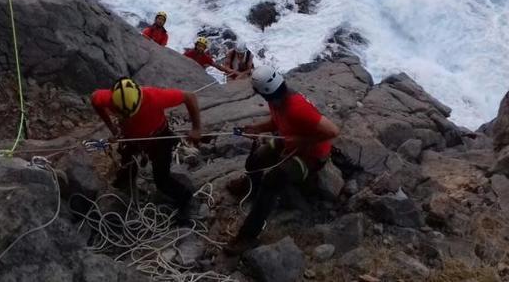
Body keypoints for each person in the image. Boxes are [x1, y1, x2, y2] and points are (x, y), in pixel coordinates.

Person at [224, 66, 340, 254]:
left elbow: (332, 131)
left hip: (312, 156)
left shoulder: (296, 106)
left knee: (273, 180)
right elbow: (279, 121)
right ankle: (251, 187)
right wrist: (258, 128)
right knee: (254, 160)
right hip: (290, 140)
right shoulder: (278, 98)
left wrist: (301, 141)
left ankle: (248, 236)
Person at [90, 77, 202, 223]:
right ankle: (126, 182)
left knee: (162, 180)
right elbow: (94, 99)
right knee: (127, 162)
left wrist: (197, 129)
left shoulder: (154, 97)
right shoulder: (108, 98)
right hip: (130, 137)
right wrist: (112, 127)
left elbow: (190, 96)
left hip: (158, 138)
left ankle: (185, 198)